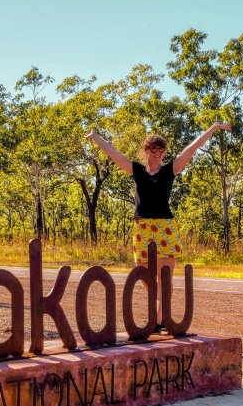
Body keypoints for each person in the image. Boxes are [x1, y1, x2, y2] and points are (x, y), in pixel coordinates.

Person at [85, 123, 231, 329]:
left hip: (165, 228)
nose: (157, 153)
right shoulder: (136, 170)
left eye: (161, 150)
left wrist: (214, 128)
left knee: (165, 278)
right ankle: (159, 311)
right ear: (146, 151)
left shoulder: (170, 169)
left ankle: (159, 320)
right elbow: (114, 153)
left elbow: (192, 148)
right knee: (143, 273)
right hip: (142, 227)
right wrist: (95, 137)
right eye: (153, 149)